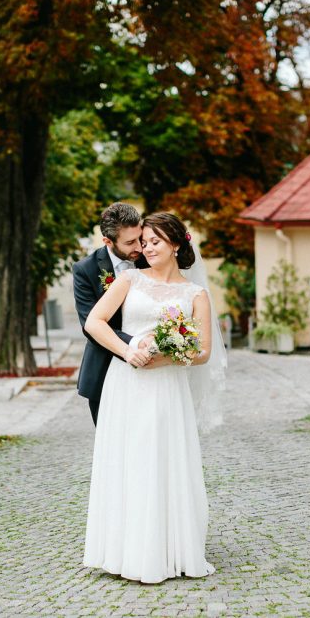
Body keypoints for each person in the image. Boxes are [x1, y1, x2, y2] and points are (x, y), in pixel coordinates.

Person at [83, 212, 226, 584]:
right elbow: (95, 322)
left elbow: (204, 351)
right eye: (143, 242)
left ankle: (169, 549)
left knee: (162, 461)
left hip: (167, 387)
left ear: (176, 244)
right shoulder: (129, 279)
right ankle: (122, 551)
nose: (146, 247)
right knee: (129, 460)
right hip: (126, 382)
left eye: (154, 241)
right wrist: (128, 352)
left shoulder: (196, 295)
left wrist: (165, 356)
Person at [72, 202, 148, 426]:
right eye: (129, 242)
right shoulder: (85, 270)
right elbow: (90, 325)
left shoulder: (149, 257)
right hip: (104, 368)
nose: (140, 248)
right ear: (107, 241)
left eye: (139, 238)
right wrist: (137, 343)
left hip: (152, 366)